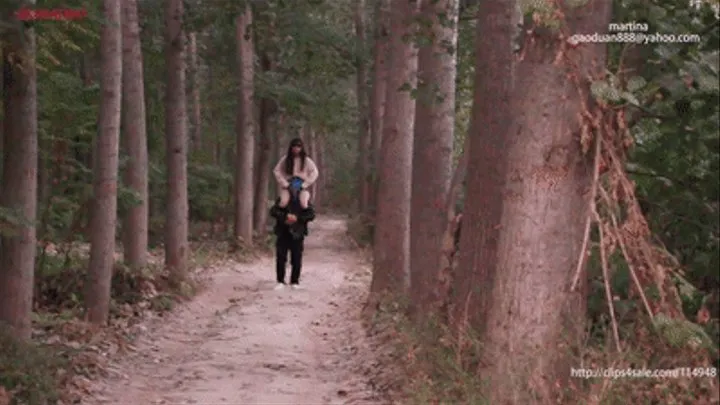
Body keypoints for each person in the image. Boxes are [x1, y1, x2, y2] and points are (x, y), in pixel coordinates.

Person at [269, 195, 315, 290]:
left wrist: (297, 218)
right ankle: (280, 281)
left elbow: (311, 215)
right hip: (283, 233)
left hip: (297, 234)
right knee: (281, 258)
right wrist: (285, 217)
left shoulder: (304, 200)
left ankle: (295, 281)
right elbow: (273, 212)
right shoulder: (282, 199)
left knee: (296, 258)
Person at [273, 137, 319, 209]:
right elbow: (276, 170)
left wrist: (305, 184)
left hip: (302, 186)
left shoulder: (306, 160)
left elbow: (315, 172)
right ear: (291, 147)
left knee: (304, 204)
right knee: (283, 203)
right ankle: (282, 220)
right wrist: (285, 183)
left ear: (302, 148)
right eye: (294, 146)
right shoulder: (285, 159)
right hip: (288, 186)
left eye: (299, 146)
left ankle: (304, 219)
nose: (296, 148)